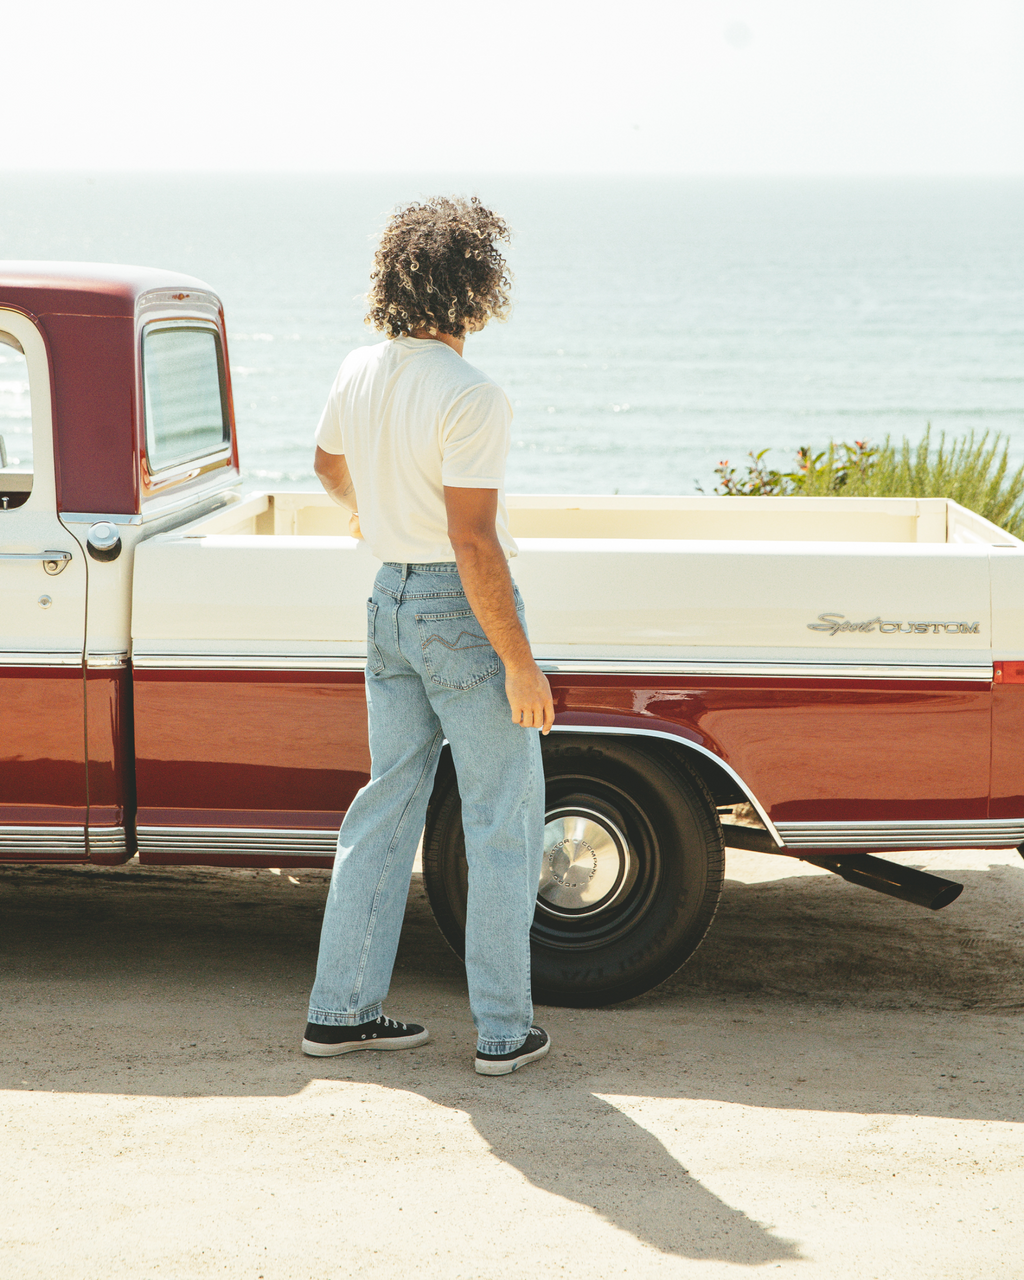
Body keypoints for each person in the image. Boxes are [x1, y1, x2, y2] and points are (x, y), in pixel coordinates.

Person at [302, 196, 554, 1076]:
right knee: (501, 817)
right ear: (475, 289)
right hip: (458, 612)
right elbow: (473, 541)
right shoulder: (471, 395)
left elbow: (328, 465)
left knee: (385, 807)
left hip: (388, 604)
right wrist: (520, 665)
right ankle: (501, 1030)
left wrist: (369, 511)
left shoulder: (360, 369)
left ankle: (339, 1012)